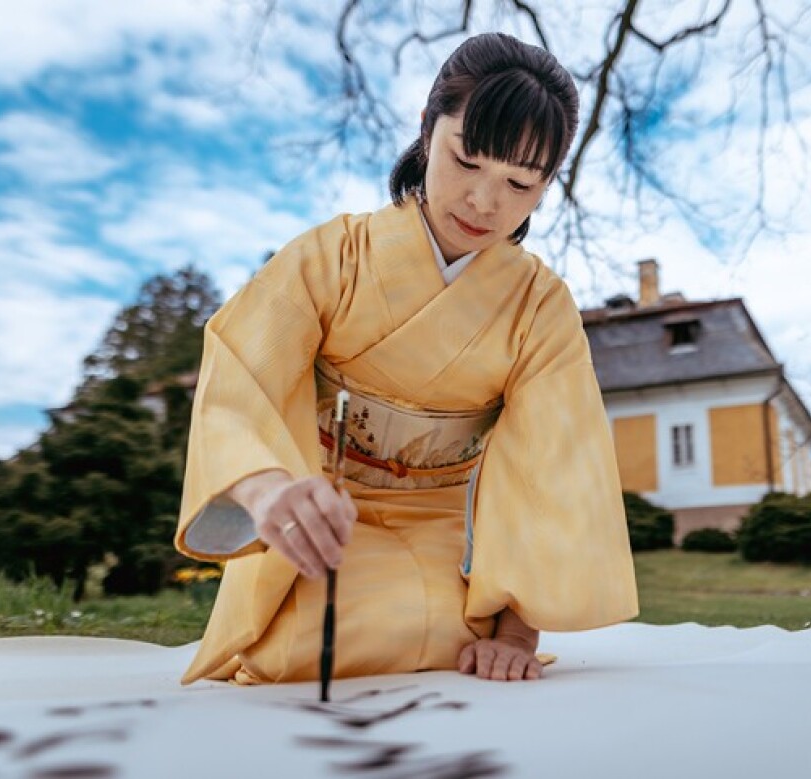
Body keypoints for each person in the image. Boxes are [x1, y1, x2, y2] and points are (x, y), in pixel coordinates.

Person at [173, 32, 638, 686]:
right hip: (317, 523)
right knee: (295, 654)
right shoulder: (329, 257)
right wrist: (268, 489)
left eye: (518, 182)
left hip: (450, 555)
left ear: (546, 185)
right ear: (427, 128)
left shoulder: (541, 307)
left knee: (442, 636)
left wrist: (514, 631)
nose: (484, 201)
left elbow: (552, 467)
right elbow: (238, 380)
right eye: (467, 160)